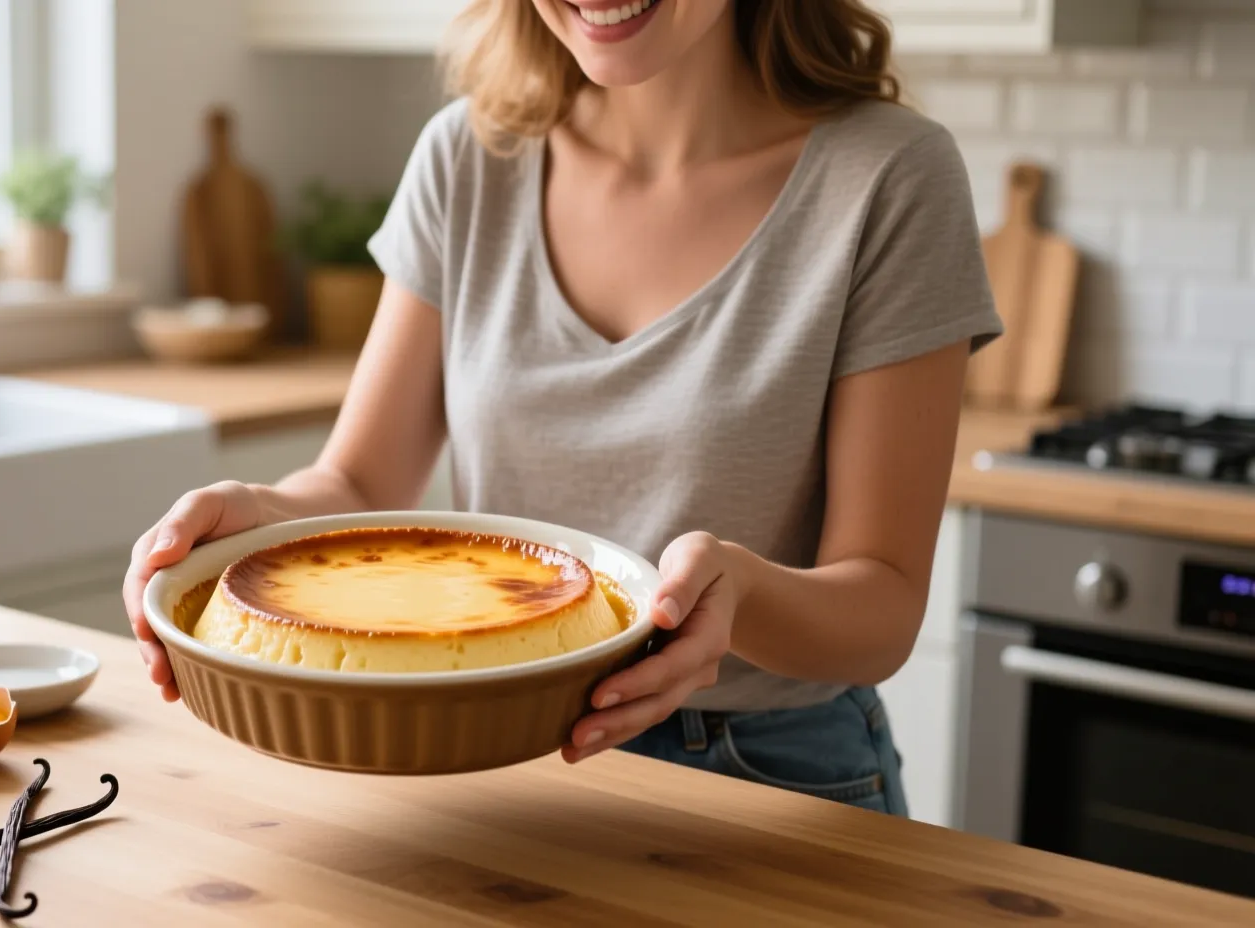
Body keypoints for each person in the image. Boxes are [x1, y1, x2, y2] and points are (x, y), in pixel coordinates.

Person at [123, 0, 1002, 817]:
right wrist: (255, 521)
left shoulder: (887, 177)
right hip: (492, 760)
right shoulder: (469, 158)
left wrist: (744, 595)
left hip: (763, 773)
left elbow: (881, 606)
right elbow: (357, 478)